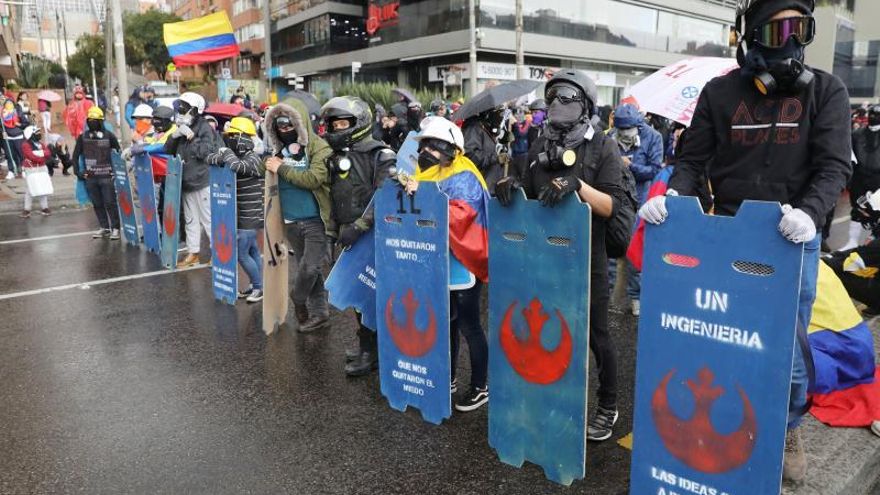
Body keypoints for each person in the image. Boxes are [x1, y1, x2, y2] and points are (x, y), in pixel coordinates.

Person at [638, 0, 852, 482]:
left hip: (791, 237)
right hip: (728, 236)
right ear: (750, 37)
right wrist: (672, 198)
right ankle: (725, 431)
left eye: (801, 29)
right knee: (724, 342)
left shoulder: (827, 92)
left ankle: (787, 425)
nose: (791, 42)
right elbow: (692, 161)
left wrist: (810, 214)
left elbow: (834, 165)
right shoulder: (719, 93)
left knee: (789, 354)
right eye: (778, 32)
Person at [495, 69, 626, 441]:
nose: (557, 105)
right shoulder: (539, 144)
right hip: (546, 257)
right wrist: (511, 186)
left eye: (567, 97)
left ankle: (607, 405)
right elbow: (532, 194)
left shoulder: (603, 145)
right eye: (552, 98)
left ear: (584, 104)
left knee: (596, 335)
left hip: (588, 258)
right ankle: (552, 396)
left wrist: (578, 185)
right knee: (551, 328)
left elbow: (611, 206)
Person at [401, 116, 490, 411]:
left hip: (464, 262)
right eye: (423, 146)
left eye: (431, 147)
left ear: (449, 149)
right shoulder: (426, 172)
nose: (425, 152)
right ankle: (447, 377)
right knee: (447, 321)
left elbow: (461, 216)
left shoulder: (464, 174)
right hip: (439, 262)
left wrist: (423, 198)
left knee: (469, 324)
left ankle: (480, 386)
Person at [320, 96, 396, 376]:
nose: (337, 128)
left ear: (360, 123)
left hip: (373, 236)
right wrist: (330, 234)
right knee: (356, 295)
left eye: (342, 123)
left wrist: (359, 227)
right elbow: (334, 199)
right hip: (348, 234)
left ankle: (374, 351)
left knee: (372, 294)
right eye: (334, 124)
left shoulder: (381, 155)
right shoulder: (336, 158)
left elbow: (385, 197)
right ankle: (368, 345)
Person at [262, 100, 334, 332]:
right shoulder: (278, 151)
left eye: (290, 126)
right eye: (280, 128)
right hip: (291, 221)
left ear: (300, 124)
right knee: (308, 268)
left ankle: (298, 298)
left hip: (315, 219)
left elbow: (314, 178)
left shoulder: (319, 147)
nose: (286, 132)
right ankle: (321, 314)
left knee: (310, 268)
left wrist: (282, 168)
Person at [607, 103, 663, 316]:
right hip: (614, 199)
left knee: (634, 252)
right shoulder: (610, 137)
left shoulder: (653, 137)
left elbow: (655, 170)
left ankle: (635, 298)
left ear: (638, 126)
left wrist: (631, 166)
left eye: (628, 129)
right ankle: (608, 295)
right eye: (621, 130)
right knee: (609, 249)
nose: (624, 134)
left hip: (639, 201)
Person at [206, 117, 265, 303]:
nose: (229, 139)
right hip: (240, 213)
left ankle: (258, 288)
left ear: (243, 138)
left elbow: (235, 166)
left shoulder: (254, 159)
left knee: (241, 254)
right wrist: (222, 154)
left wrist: (226, 153)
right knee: (253, 250)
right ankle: (258, 284)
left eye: (233, 136)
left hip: (250, 214)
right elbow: (210, 159)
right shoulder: (237, 156)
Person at [164, 92, 220, 267]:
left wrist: (191, 137)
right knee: (190, 220)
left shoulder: (204, 127)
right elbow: (168, 150)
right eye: (180, 106)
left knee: (209, 219)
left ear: (195, 110)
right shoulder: (181, 125)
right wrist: (174, 136)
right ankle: (193, 253)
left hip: (202, 180)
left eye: (184, 107)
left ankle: (217, 254)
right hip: (186, 181)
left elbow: (206, 152)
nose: (180, 110)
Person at [73, 106, 122, 240]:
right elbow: (75, 155)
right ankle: (104, 227)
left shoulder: (109, 136)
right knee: (97, 203)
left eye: (95, 120)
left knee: (110, 203)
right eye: (90, 120)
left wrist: (115, 172)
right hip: (91, 177)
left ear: (101, 121)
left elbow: (118, 153)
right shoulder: (82, 137)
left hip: (107, 176)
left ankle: (116, 228)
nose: (92, 122)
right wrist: (78, 172)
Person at [841, 105, 880, 251]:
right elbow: (849, 156)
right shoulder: (857, 134)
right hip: (859, 177)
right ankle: (852, 241)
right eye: (871, 114)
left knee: (877, 211)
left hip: (877, 180)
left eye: (877, 115)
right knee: (858, 209)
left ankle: (874, 241)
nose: (873, 117)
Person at [462, 106, 509, 192]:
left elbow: (490, 148)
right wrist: (496, 158)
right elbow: (470, 156)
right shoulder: (473, 128)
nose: (501, 116)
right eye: (499, 112)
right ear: (489, 113)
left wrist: (504, 141)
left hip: (492, 183)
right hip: (480, 187)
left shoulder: (486, 126)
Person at [19, 125, 52, 217]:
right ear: (30, 134)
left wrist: (39, 155)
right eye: (36, 133)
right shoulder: (25, 145)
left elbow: (48, 153)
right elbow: (31, 156)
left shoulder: (40, 144)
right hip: (30, 169)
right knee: (30, 189)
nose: (39, 134)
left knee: (43, 188)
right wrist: (42, 156)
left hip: (42, 168)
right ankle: (27, 209)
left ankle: (45, 208)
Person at [2, 98, 25, 177]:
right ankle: (11, 171)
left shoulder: (17, 111)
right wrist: (2, 132)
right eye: (7, 103)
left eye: (10, 103)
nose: (8, 105)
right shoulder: (2, 113)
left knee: (21, 154)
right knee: (9, 155)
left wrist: (20, 125)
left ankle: (23, 169)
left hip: (18, 136)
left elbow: (25, 123)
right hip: (7, 137)